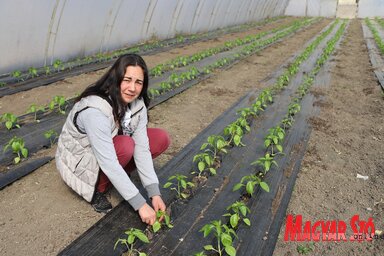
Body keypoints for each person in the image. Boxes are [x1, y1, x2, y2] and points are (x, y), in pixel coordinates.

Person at [55, 53, 170, 225]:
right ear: (116, 78)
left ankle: (119, 178)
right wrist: (140, 205)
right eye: (127, 79)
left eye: (138, 82)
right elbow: (108, 161)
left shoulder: (137, 105)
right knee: (125, 145)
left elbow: (143, 149)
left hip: (109, 149)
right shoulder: (95, 110)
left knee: (160, 138)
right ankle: (97, 189)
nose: (132, 88)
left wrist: (154, 193)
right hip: (81, 162)